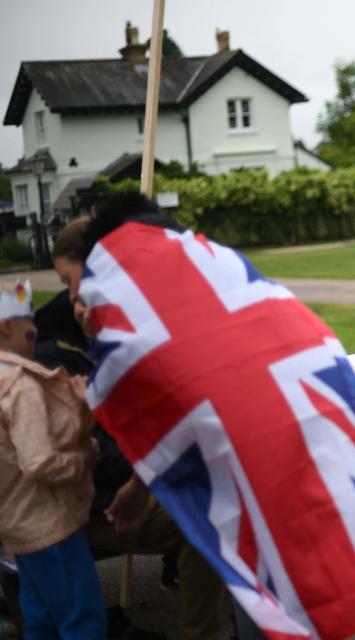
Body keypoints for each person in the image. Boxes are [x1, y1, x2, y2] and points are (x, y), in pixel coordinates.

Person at [52, 202, 226, 640]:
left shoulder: (129, 323)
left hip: (127, 481)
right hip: (71, 506)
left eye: (73, 282)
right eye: (66, 286)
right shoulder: (57, 340)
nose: (74, 298)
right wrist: (144, 476)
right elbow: (81, 441)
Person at [0, 278, 107, 639]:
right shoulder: (20, 387)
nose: (36, 331)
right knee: (83, 620)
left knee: (41, 618)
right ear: (6, 326)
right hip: (50, 527)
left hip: (18, 529)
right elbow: (39, 462)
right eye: (31, 324)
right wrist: (82, 459)